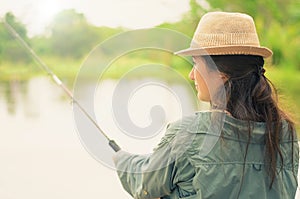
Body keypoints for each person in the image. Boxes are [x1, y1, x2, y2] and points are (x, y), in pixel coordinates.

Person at [113, 12, 299, 199]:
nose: (191, 75)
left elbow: (145, 185)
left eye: (196, 64)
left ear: (221, 73)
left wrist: (122, 159)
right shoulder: (286, 133)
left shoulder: (188, 133)